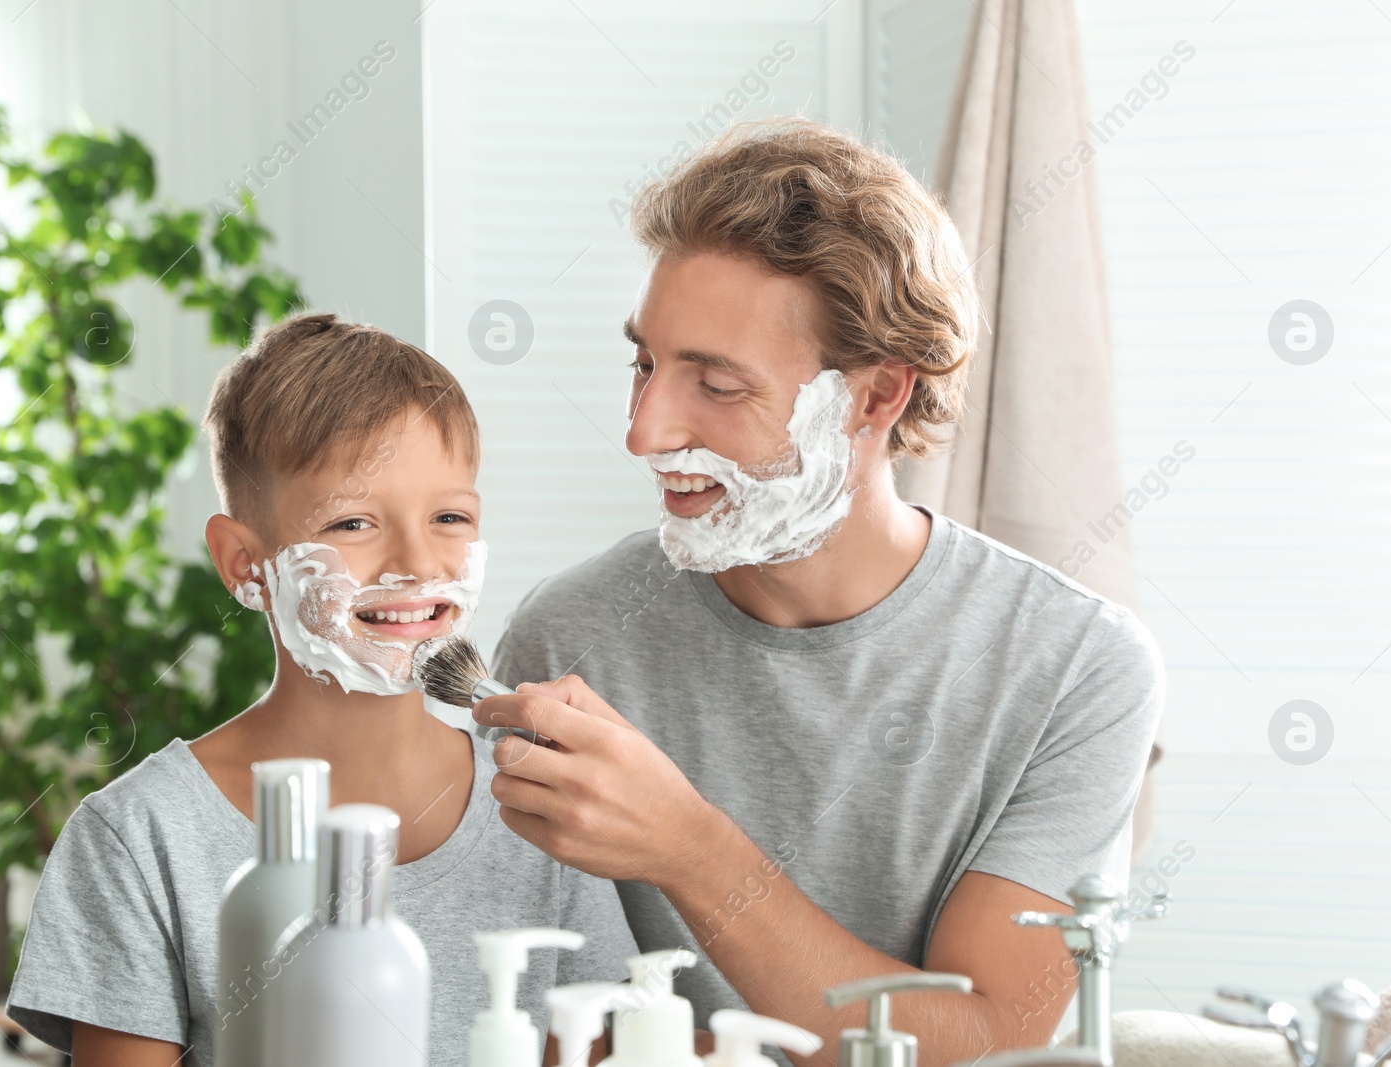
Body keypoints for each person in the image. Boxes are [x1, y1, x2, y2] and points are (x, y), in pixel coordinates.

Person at [482, 119, 1164, 1066]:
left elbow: (989, 1044)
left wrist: (689, 846)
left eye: (715, 384)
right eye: (644, 363)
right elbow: (532, 1017)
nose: (644, 433)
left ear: (877, 398)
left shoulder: (1075, 668)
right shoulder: (573, 636)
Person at [6, 313, 637, 1067]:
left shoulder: (544, 806)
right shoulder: (141, 839)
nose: (416, 560)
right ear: (245, 563)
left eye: (449, 516)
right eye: (353, 521)